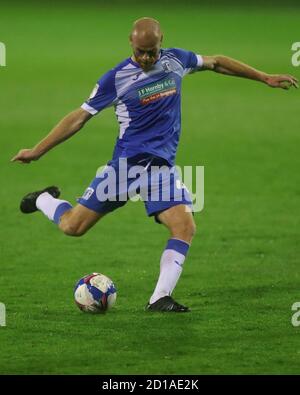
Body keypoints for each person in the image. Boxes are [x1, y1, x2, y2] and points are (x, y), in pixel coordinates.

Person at [11, 17, 298, 313]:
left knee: (184, 226)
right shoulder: (116, 78)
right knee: (73, 226)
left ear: (162, 42)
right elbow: (79, 117)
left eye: (152, 51)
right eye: (140, 52)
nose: (146, 58)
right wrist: (38, 150)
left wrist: (264, 77)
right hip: (125, 168)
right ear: (130, 44)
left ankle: (159, 297)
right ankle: (44, 199)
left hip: (161, 170)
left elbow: (216, 62)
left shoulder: (177, 60)